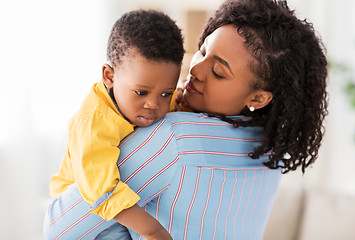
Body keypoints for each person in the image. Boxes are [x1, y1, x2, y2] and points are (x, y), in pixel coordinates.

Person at [44, 0, 328, 239]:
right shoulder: (270, 146)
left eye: (218, 71)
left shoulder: (172, 137)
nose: (196, 70)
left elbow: (59, 228)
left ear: (258, 98)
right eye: (202, 50)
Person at [45, 9, 184, 240]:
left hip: (123, 203)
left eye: (165, 94)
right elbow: (101, 191)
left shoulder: (151, 103)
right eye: (141, 92)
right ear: (109, 76)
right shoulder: (93, 122)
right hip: (83, 209)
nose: (153, 104)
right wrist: (154, 231)